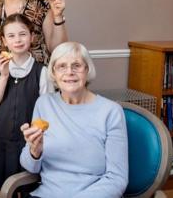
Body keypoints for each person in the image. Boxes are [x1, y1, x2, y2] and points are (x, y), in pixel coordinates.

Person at [20, 42, 128, 198]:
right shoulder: (44, 103)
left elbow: (117, 179)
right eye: (62, 66)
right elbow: (30, 166)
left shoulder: (110, 112)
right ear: (53, 72)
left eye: (76, 65)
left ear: (87, 70)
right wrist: (34, 151)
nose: (69, 72)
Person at [0, 14, 54, 192]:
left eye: (23, 34)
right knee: (6, 186)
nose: (18, 40)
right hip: (2, 139)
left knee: (29, 185)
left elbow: (48, 109)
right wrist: (4, 75)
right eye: (11, 36)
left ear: (32, 37)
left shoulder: (42, 71)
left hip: (30, 139)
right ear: (4, 41)